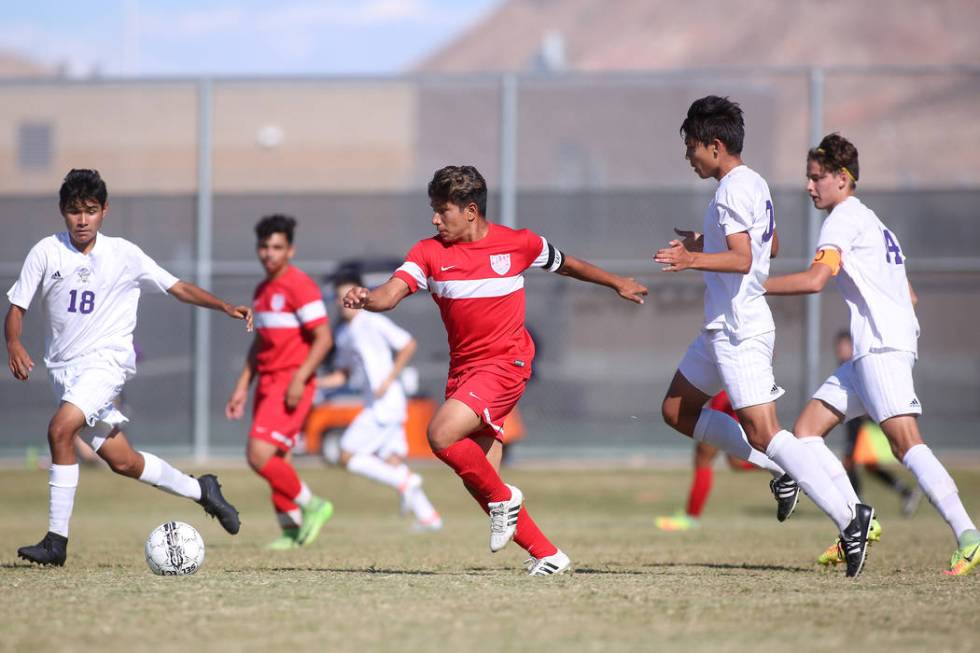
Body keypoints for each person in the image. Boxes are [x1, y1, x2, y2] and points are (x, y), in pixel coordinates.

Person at [342, 165, 648, 576]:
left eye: (442, 210)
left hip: (507, 364)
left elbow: (566, 264)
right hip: (465, 372)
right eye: (432, 209)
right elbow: (391, 293)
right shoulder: (428, 253)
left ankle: (507, 499)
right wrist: (367, 297)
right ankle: (548, 555)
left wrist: (615, 282)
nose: (435, 218)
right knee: (482, 480)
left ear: (471, 211)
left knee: (440, 434)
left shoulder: (519, 243)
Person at [654, 97, 875, 578]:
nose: (688, 156)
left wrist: (693, 258)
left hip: (740, 328)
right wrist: (703, 242)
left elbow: (742, 258)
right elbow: (768, 246)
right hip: (721, 327)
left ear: (715, 146)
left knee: (767, 434)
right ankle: (783, 473)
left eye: (692, 146)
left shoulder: (733, 190)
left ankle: (849, 516)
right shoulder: (751, 182)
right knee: (676, 409)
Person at [5, 168, 247, 567]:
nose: (82, 219)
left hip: (106, 364)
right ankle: (201, 490)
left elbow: (177, 287)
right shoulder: (46, 252)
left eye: (91, 210)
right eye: (74, 211)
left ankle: (56, 542)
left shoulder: (124, 254)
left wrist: (223, 305)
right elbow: (17, 309)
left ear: (104, 211)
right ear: (61, 212)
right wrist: (14, 341)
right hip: (64, 372)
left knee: (59, 429)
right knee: (123, 461)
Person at [763, 133, 979, 576]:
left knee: (905, 443)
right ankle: (860, 521)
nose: (809, 186)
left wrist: (753, 286)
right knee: (805, 432)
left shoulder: (842, 219)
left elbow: (814, 281)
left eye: (816, 177)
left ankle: (968, 535)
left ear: (843, 179)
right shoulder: (873, 221)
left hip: (881, 348)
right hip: (874, 349)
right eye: (808, 177)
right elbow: (911, 295)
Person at [225, 215, 335, 550]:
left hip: (291, 383)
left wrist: (300, 379)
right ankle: (291, 529)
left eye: (277, 247)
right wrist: (243, 386)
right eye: (264, 246)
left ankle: (313, 505)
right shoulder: (263, 290)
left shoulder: (300, 286)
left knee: (258, 454)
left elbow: (324, 338)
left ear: (290, 250)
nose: (269, 253)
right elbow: (260, 343)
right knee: (279, 459)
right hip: (267, 383)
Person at [319, 272, 442, 532]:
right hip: (375, 403)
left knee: (346, 454)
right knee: (393, 459)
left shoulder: (372, 320)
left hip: (386, 403)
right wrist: (313, 384)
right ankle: (429, 517)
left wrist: (389, 378)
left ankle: (403, 482)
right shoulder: (343, 334)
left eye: (349, 294)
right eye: (340, 298)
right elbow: (344, 374)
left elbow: (408, 344)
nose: (345, 301)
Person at [831, 331, 922, 521]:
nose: (840, 350)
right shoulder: (844, 366)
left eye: (844, 346)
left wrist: (866, 413)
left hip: (861, 424)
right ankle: (904, 491)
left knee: (849, 462)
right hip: (854, 423)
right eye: (838, 347)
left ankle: (858, 507)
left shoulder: (858, 365)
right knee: (868, 466)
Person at [655, 390, 755, 532]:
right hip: (734, 396)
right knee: (735, 462)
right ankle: (783, 468)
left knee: (704, 457)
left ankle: (691, 517)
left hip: (729, 397)